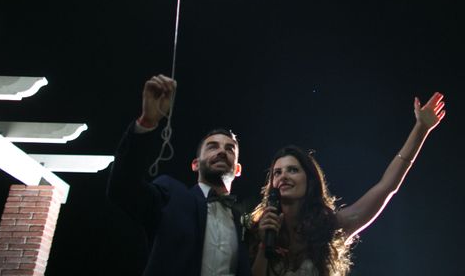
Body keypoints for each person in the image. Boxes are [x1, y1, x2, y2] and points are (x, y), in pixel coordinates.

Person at [249, 92, 446, 276]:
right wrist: (264, 244)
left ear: (309, 181)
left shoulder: (329, 228)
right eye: (277, 172)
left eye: (293, 170)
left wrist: (421, 129)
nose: (284, 176)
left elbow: (386, 186)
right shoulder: (257, 231)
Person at [107, 74, 252, 276]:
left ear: (237, 170)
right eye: (212, 147)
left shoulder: (243, 222)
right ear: (195, 164)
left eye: (230, 149)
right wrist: (147, 122)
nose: (221, 151)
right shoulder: (170, 195)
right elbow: (122, 188)